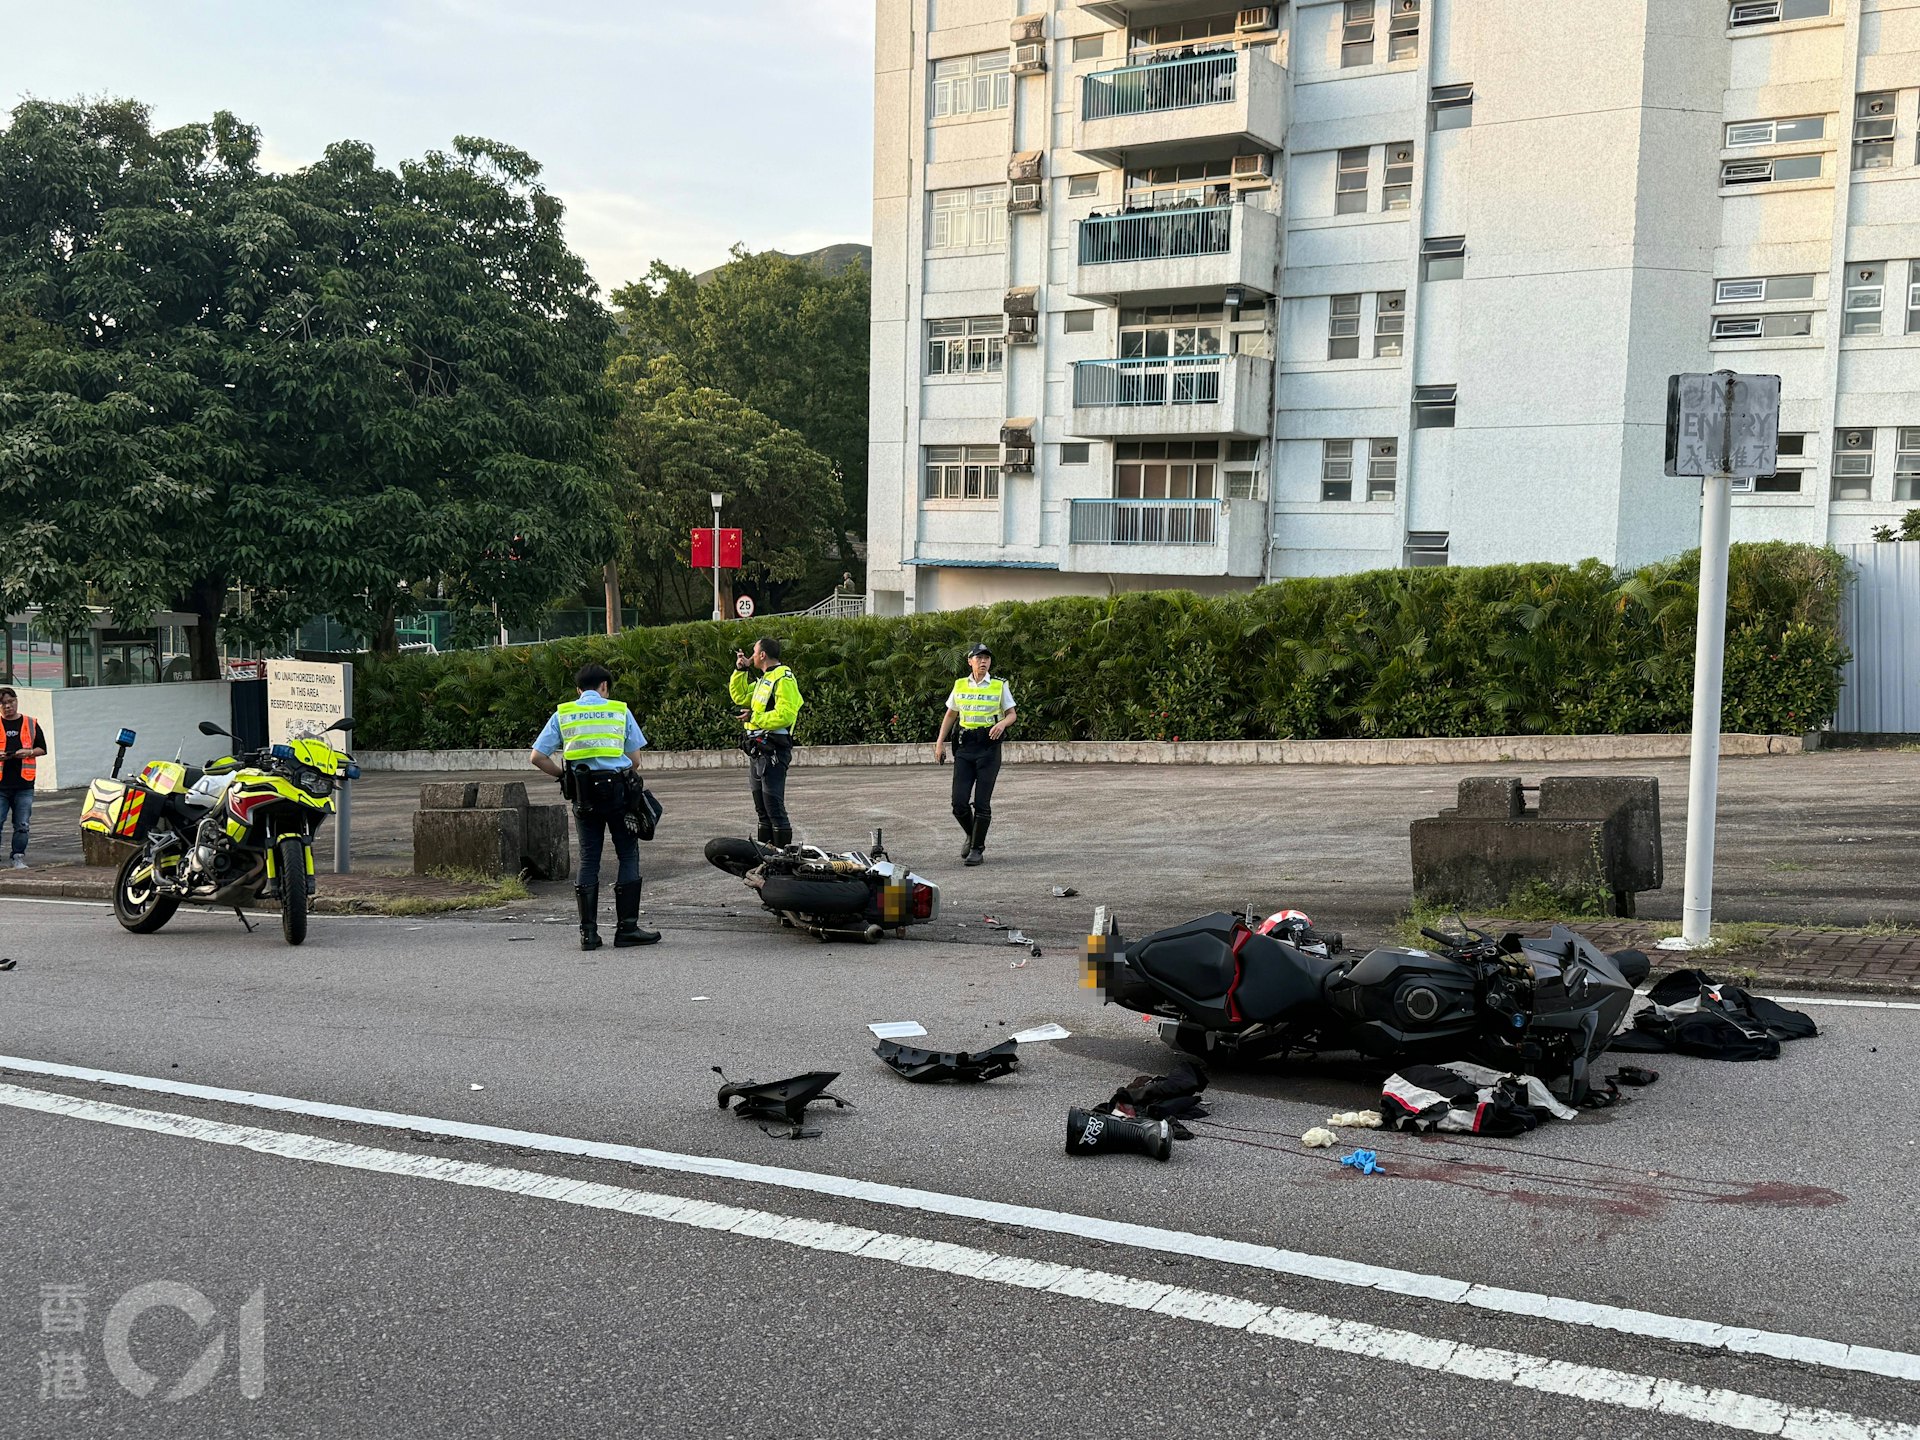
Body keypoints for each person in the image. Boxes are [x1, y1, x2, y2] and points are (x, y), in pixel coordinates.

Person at [529, 663, 661, 951]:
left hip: (584, 795)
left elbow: (537, 757)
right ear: (605, 686)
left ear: (578, 690)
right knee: (627, 853)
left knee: (589, 859)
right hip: (619, 793)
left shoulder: (564, 713)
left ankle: (588, 934)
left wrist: (564, 777)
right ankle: (627, 929)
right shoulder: (619, 710)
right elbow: (635, 760)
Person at [933, 643, 1016, 866]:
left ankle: (977, 849)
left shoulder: (999, 685)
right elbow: (951, 714)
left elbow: (1011, 714)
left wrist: (1002, 724)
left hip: (989, 747)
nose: (983, 661)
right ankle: (972, 835)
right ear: (970, 661)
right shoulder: (960, 685)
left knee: (982, 802)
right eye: (978, 658)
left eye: (987, 658)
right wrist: (939, 742)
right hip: (964, 747)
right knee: (958, 803)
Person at [729, 636, 804, 846]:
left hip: (773, 751)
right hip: (757, 751)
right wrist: (740, 670)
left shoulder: (783, 678)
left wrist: (754, 717)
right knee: (762, 810)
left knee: (774, 809)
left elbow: (786, 714)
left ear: (762, 655)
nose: (750, 656)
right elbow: (740, 696)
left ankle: (782, 859)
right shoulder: (764, 680)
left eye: (754, 652)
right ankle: (765, 860)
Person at [0, 686, 47, 870]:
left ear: (16, 701)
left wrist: (27, 752)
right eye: (3, 703)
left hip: (24, 784)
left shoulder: (30, 723)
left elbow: (42, 748)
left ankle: (17, 857)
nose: (8, 706)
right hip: (1, 785)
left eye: (11, 702)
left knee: (22, 824)